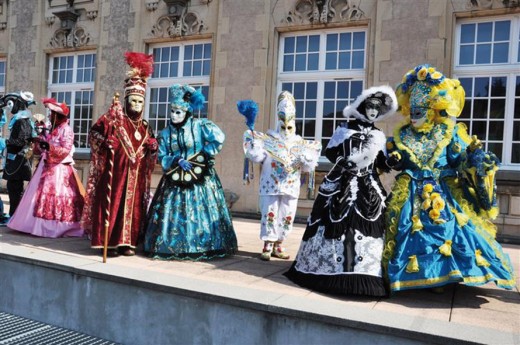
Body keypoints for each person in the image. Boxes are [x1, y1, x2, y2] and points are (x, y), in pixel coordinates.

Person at [382, 64, 516, 292]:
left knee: (451, 229)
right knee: (410, 231)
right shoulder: (402, 134)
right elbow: (399, 160)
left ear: (433, 109)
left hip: (444, 190)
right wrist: (394, 158)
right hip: (411, 190)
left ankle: (447, 274)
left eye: (420, 112)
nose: (414, 118)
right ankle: (422, 275)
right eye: (411, 112)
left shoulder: (447, 132)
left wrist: (474, 157)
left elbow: (459, 159)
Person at [284, 86, 397, 297]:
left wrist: (392, 160)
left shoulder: (379, 135)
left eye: (377, 108)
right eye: (369, 106)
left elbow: (381, 162)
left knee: (371, 223)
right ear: (361, 107)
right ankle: (333, 272)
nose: (373, 111)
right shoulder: (344, 130)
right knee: (337, 219)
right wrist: (342, 161)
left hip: (369, 185)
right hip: (342, 183)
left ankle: (368, 275)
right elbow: (331, 151)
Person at [142, 84, 237, 260]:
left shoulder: (199, 126)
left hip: (200, 179)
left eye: (178, 112)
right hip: (174, 178)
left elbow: (219, 138)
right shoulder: (165, 133)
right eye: (172, 111)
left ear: (187, 112)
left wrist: (202, 155)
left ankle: (201, 244)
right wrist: (176, 160)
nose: (173, 115)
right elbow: (162, 155)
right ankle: (169, 245)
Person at [82, 52, 158, 257]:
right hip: (114, 175)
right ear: (126, 100)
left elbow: (150, 150)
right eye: (132, 101)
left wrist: (153, 147)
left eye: (139, 102)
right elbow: (95, 134)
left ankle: (127, 242)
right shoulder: (114, 118)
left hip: (136, 177)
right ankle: (109, 242)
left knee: (132, 209)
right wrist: (106, 142)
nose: (136, 106)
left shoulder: (144, 127)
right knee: (114, 203)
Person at [242, 91, 321, 261]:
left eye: (289, 127)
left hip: (290, 185)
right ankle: (267, 245)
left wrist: (307, 159)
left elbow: (307, 168)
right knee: (269, 212)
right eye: (283, 127)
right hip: (270, 185)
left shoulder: (301, 144)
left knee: (287, 214)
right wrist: (255, 147)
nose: (286, 130)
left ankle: (279, 244)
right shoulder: (268, 141)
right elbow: (257, 157)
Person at [7, 98, 84, 237]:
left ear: (58, 115)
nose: (49, 116)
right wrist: (40, 143)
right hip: (45, 166)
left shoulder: (67, 130)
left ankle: (57, 227)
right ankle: (32, 224)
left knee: (57, 195)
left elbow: (66, 149)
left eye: (52, 114)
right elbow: (42, 150)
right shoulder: (53, 130)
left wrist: (50, 147)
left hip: (59, 169)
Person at [0, 92, 36, 219]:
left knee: (15, 189)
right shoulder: (21, 120)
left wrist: (6, 142)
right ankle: (14, 216)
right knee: (13, 188)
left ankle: (16, 217)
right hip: (16, 160)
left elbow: (21, 141)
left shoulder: (22, 121)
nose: (10, 107)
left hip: (18, 161)